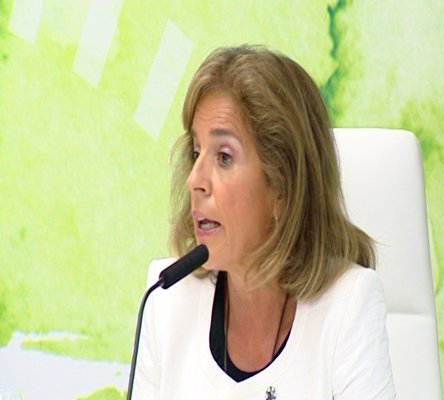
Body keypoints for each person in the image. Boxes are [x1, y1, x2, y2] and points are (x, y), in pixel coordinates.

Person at [134, 45, 396, 399]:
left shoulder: (348, 306)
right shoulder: (166, 299)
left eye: (224, 157)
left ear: (283, 187)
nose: (194, 179)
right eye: (196, 152)